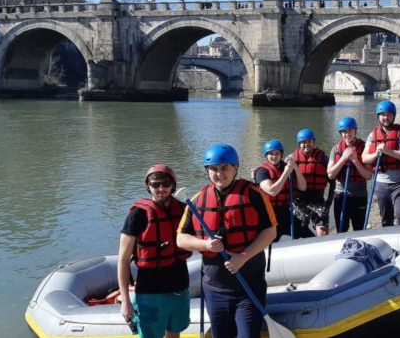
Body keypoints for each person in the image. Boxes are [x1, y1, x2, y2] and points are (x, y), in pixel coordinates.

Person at [177, 144, 278, 338]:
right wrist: (205, 245)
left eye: (224, 168)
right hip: (214, 290)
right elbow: (181, 239)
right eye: (213, 169)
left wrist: (243, 257)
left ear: (235, 168)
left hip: (248, 287)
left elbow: (271, 231)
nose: (219, 174)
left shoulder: (254, 194)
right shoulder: (197, 200)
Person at [118, 164, 191, 338]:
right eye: (155, 184)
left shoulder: (183, 210)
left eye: (166, 184)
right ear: (148, 186)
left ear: (173, 185)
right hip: (149, 290)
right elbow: (123, 259)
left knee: (175, 333)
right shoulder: (138, 215)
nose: (161, 188)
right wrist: (125, 301)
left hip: (179, 286)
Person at [363, 100, 400, 226]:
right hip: (381, 183)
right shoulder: (372, 135)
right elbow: (364, 158)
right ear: (378, 117)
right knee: (386, 218)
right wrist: (376, 154)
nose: (386, 118)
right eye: (383, 115)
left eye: (389, 114)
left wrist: (388, 151)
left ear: (394, 116)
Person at [327, 116, 373, 232]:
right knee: (341, 230)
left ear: (355, 131)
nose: (347, 134)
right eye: (344, 131)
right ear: (340, 133)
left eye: (350, 130)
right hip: (341, 196)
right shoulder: (336, 149)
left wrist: (355, 161)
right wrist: (343, 158)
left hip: (359, 196)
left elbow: (368, 176)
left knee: (359, 229)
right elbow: (330, 174)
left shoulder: (364, 148)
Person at [255, 139, 306, 240]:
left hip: (286, 212)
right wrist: (286, 173)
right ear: (266, 155)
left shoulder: (287, 166)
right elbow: (272, 191)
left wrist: (295, 168)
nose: (274, 157)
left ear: (281, 154)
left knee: (307, 235)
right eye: (271, 154)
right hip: (270, 215)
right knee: (270, 242)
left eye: (277, 153)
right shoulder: (262, 171)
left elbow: (303, 187)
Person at [291, 128, 335, 237]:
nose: (306, 144)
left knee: (323, 230)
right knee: (300, 227)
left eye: (309, 141)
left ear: (314, 142)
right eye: (303, 142)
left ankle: (323, 248)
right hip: (299, 201)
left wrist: (328, 204)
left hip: (318, 200)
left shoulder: (323, 158)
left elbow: (333, 182)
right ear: (299, 144)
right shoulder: (291, 159)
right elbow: (279, 174)